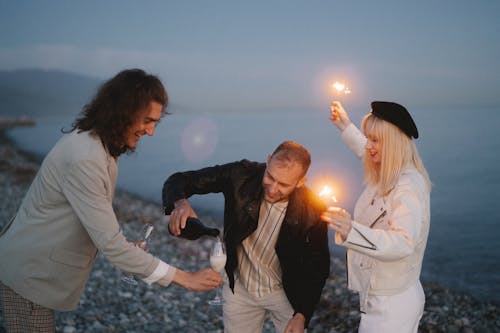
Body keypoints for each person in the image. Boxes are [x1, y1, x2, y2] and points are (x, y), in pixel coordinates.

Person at [0, 69, 221, 333]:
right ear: (124, 111)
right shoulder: (86, 158)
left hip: (34, 269)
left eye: (156, 123)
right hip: (29, 274)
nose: (151, 131)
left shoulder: (98, 144)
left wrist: (122, 244)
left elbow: (95, 220)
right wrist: (186, 279)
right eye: (148, 120)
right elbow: (111, 247)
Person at [163, 141, 330, 333]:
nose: (273, 188)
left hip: (287, 293)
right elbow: (179, 180)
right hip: (240, 288)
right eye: (270, 176)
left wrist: (302, 314)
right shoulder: (240, 174)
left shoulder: (314, 210)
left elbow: (318, 266)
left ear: (301, 182)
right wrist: (180, 203)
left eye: (283, 184)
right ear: (268, 161)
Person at [322, 101, 431, 333]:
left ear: (393, 143)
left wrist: (351, 231)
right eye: (368, 136)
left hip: (393, 305)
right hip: (382, 297)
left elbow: (403, 243)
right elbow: (365, 150)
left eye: (376, 139)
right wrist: (346, 126)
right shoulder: (389, 169)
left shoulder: (408, 185)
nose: (369, 145)